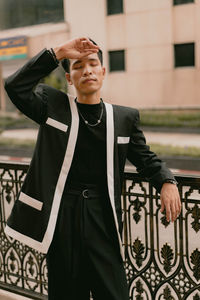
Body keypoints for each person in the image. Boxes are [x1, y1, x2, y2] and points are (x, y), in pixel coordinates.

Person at [4, 37, 181, 300]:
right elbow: (15, 86)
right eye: (78, 66)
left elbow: (145, 158)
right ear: (69, 78)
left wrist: (167, 181)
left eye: (93, 64)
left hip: (103, 221)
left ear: (103, 72)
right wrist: (59, 52)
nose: (86, 70)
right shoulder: (52, 105)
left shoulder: (123, 118)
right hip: (62, 221)